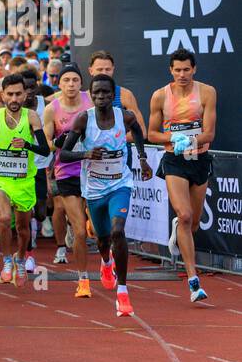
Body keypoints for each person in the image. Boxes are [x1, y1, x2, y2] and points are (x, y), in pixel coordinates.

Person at [58, 74, 151, 317]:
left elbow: (139, 132)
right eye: (96, 93)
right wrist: (86, 154)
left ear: (113, 95)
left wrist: (142, 158)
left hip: (120, 184)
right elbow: (64, 154)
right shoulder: (83, 120)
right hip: (94, 190)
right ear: (91, 94)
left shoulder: (125, 116)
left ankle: (122, 291)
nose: (101, 97)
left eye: (106, 93)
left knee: (118, 231)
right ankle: (106, 262)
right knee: (103, 239)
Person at [147, 49, 216, 303]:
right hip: (174, 159)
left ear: (194, 69)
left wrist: (189, 139)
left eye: (186, 69)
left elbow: (209, 134)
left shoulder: (207, 92)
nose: (182, 74)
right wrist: (172, 138)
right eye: (177, 70)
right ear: (170, 70)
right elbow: (152, 134)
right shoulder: (159, 96)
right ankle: (193, 280)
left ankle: (179, 228)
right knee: (184, 214)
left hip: (199, 158)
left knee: (193, 222)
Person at [0, 74, 50, 287]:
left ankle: (20, 258)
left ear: (25, 95)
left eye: (18, 94)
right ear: (2, 95)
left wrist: (26, 144)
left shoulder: (31, 117)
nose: (14, 99)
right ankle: (6, 261)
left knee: (23, 229)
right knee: (4, 218)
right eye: (10, 94)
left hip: (23, 180)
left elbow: (45, 149)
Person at [43, 67, 91, 286]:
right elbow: (45, 144)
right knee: (80, 229)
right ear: (59, 84)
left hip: (94, 169)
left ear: (81, 83)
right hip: (66, 170)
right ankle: (82, 278)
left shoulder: (91, 102)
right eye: (66, 80)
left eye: (75, 80)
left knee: (100, 230)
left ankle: (107, 263)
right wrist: (58, 143)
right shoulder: (52, 109)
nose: (71, 84)